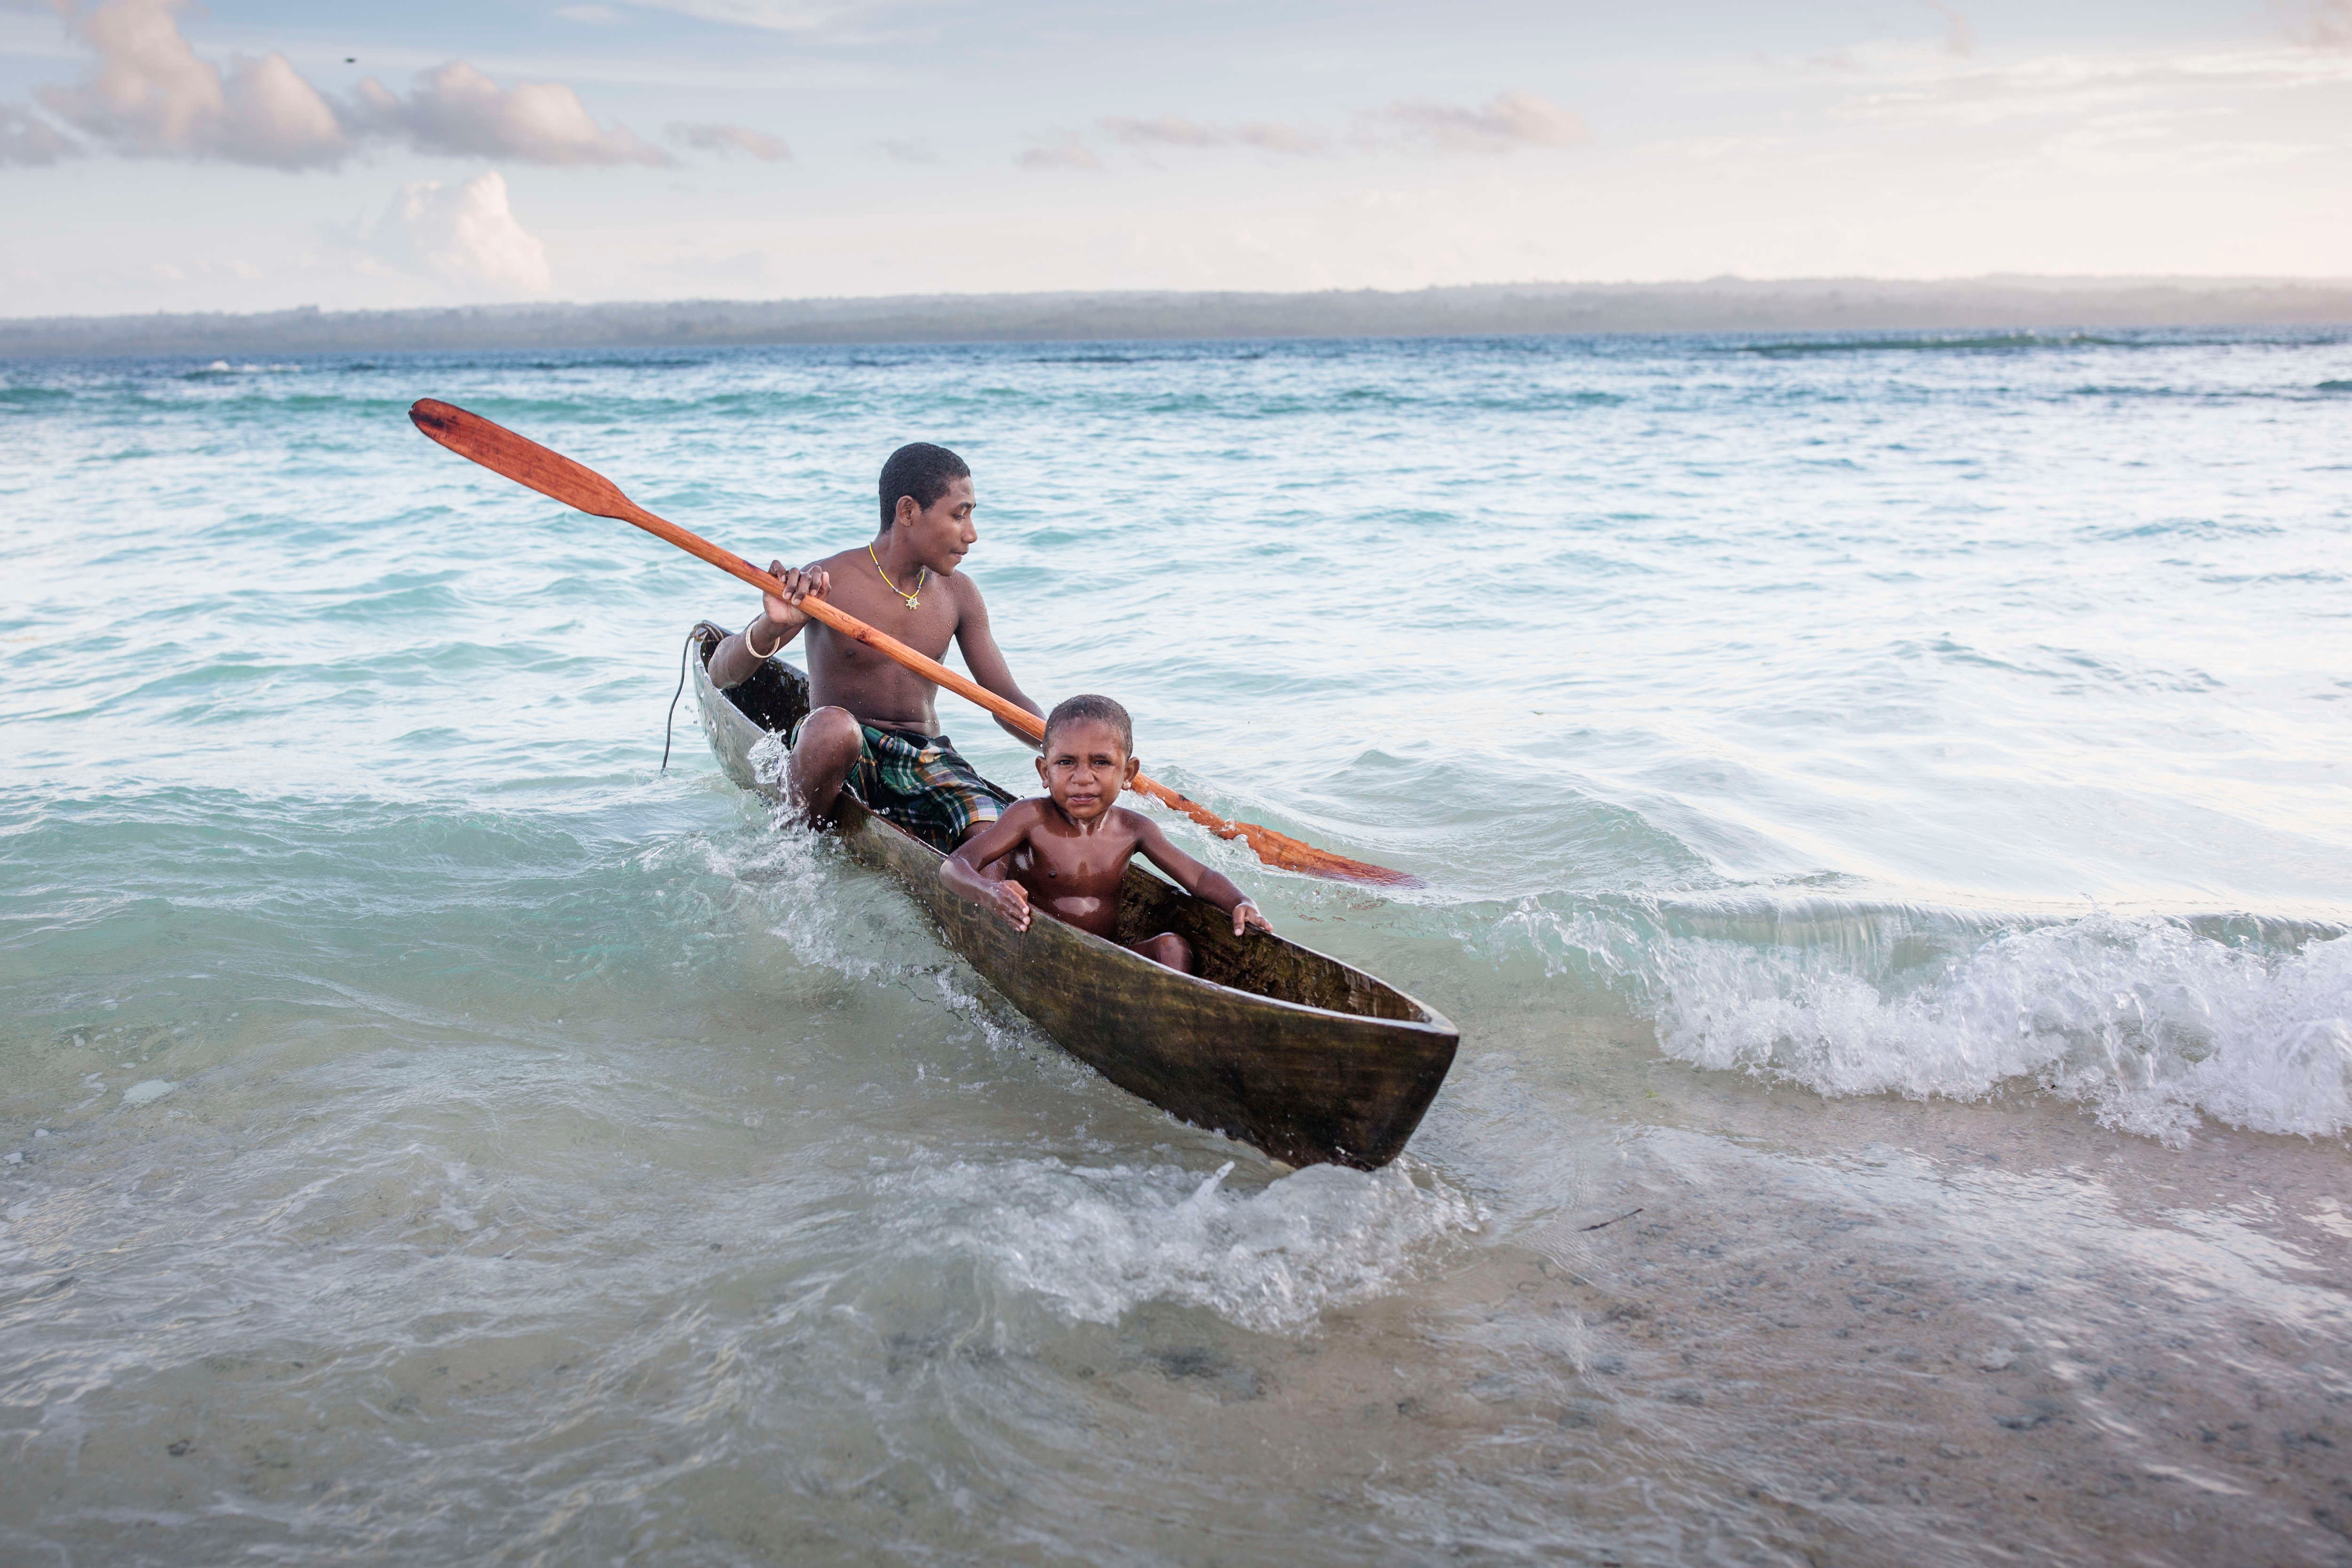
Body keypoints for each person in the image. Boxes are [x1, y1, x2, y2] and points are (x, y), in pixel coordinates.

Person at [707, 441, 1041, 851]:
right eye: (960, 515)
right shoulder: (828, 581)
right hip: (842, 755)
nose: (971, 535)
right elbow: (722, 673)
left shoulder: (960, 595)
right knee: (833, 729)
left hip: (924, 760)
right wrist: (770, 626)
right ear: (908, 512)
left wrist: (1063, 748)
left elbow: (1004, 700)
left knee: (996, 842)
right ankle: (791, 854)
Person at [939, 694, 1273, 973]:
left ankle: (1172, 1015)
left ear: (1128, 773)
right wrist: (990, 892)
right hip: (1040, 951)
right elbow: (954, 867)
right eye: (1066, 763)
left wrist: (1241, 902)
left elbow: (1200, 878)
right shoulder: (1030, 817)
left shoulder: (1135, 830)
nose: (1083, 778)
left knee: (1172, 947)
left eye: (1101, 762)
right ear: (1045, 771)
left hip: (1105, 960)